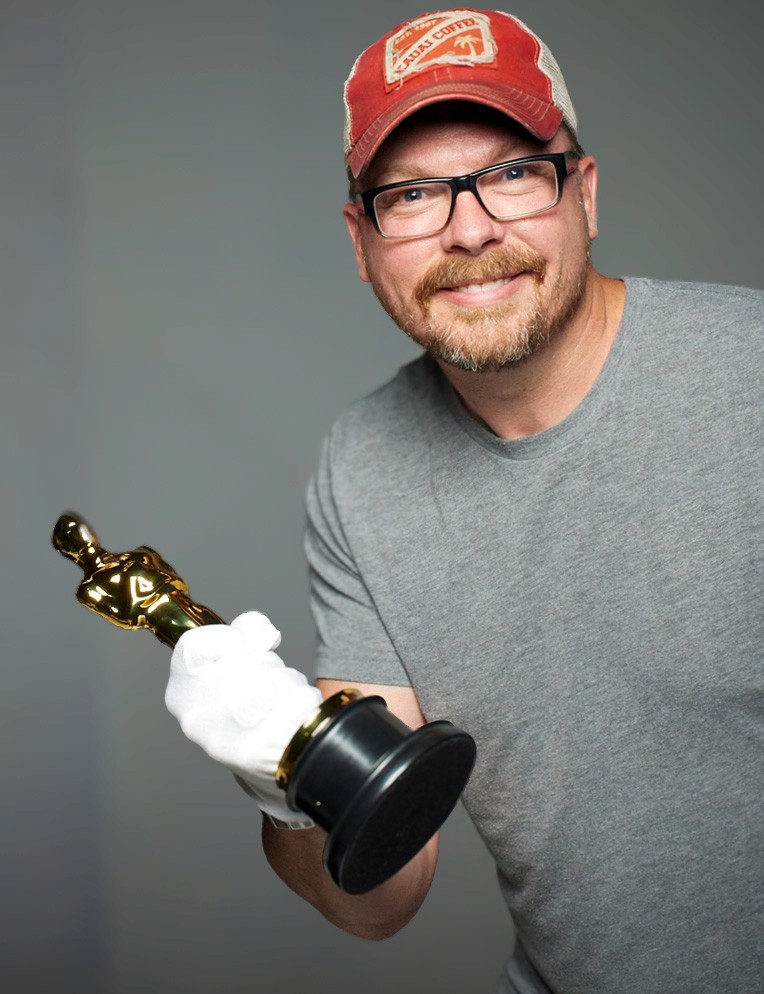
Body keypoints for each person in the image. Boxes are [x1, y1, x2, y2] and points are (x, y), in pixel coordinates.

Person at [164, 9, 763, 993]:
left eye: (513, 172)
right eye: (409, 193)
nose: (471, 225)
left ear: (585, 192)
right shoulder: (361, 469)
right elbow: (380, 898)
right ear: (361, 241)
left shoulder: (744, 376)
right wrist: (290, 777)